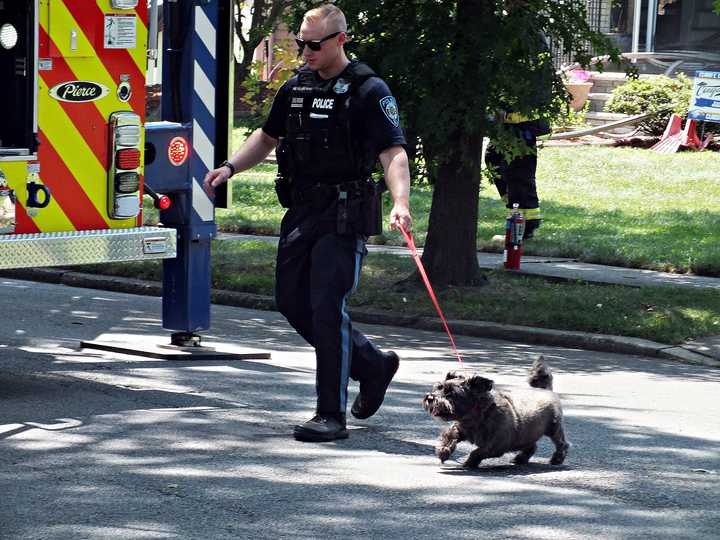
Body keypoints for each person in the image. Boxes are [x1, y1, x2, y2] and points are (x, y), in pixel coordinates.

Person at [203, 4, 412, 442]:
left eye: (314, 43)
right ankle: (372, 365)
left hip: (343, 213)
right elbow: (267, 136)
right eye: (301, 42)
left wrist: (400, 202)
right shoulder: (295, 87)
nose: (306, 50)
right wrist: (230, 167)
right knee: (291, 302)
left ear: (341, 39)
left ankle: (330, 414)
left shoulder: (369, 90)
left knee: (325, 306)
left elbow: (392, 151)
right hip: (301, 210)